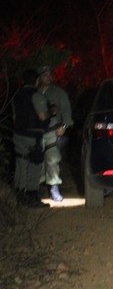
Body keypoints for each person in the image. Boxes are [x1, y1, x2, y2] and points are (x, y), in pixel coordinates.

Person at [12, 69, 52, 208]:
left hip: (18, 134)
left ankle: (20, 197)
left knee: (21, 164)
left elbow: (15, 117)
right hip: (33, 136)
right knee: (35, 166)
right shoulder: (36, 95)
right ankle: (32, 197)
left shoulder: (17, 96)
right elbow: (42, 116)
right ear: (36, 80)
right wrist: (51, 111)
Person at [37, 65, 74, 202]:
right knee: (37, 162)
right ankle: (35, 190)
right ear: (39, 77)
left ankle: (54, 189)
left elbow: (66, 112)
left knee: (52, 160)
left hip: (53, 130)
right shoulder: (35, 92)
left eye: (50, 74)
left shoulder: (59, 93)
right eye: (45, 75)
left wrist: (64, 126)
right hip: (36, 132)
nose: (48, 77)